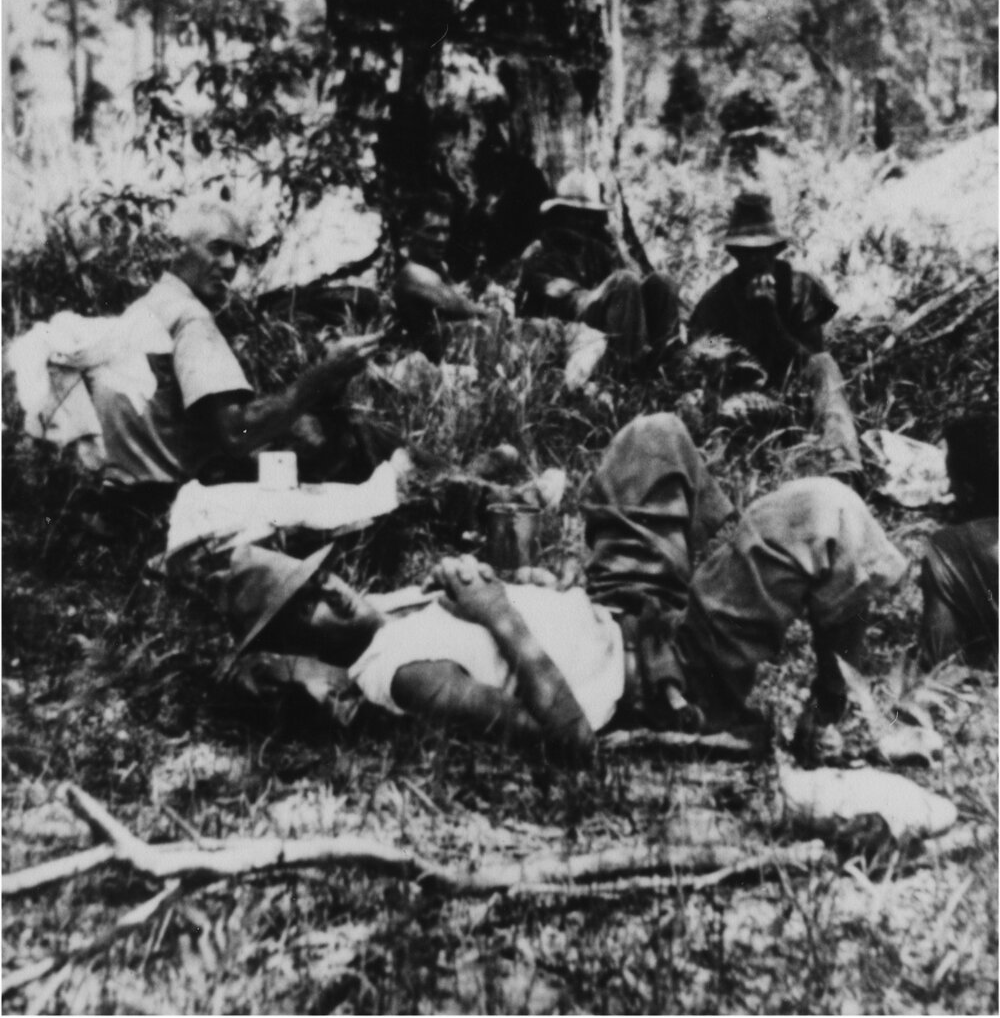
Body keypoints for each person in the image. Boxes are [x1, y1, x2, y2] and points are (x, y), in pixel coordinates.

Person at [224, 414, 906, 762]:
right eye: (310, 599)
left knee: (653, 436)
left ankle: (739, 576)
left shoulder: (396, 608)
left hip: (621, 607)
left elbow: (518, 611)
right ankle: (834, 693)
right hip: (663, 667)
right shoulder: (403, 676)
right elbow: (569, 739)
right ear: (301, 638)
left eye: (321, 573)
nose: (336, 585)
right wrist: (500, 614)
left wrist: (529, 588)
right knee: (822, 508)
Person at [84, 197, 382, 506]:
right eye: (217, 248)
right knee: (339, 438)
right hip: (174, 506)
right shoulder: (189, 317)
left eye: (238, 254)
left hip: (126, 500)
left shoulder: (140, 312)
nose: (229, 265)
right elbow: (239, 433)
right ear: (176, 248)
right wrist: (324, 374)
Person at [689, 190, 861, 476]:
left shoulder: (801, 287)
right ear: (735, 254)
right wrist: (722, 351)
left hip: (797, 397)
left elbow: (810, 359)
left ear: (776, 250)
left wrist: (769, 320)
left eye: (763, 250)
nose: (757, 259)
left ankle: (841, 457)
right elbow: (699, 351)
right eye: (747, 252)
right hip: (744, 401)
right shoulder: (716, 300)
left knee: (825, 365)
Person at [515, 171, 680, 371]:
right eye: (574, 214)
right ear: (560, 215)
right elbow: (542, 287)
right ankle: (624, 370)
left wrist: (618, 248)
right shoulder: (543, 247)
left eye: (587, 215)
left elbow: (631, 292)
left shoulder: (597, 250)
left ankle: (663, 366)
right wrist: (589, 295)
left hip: (607, 323)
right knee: (623, 281)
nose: (582, 222)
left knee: (663, 283)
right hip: (566, 326)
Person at [918, 413, 998, 667]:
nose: (949, 489)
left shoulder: (947, 548)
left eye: (951, 478)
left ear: (969, 490)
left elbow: (939, 658)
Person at [392, 193, 486, 362]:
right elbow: (472, 311)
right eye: (432, 231)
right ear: (410, 233)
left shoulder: (438, 267)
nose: (441, 239)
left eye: (445, 231)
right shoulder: (414, 274)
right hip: (436, 366)